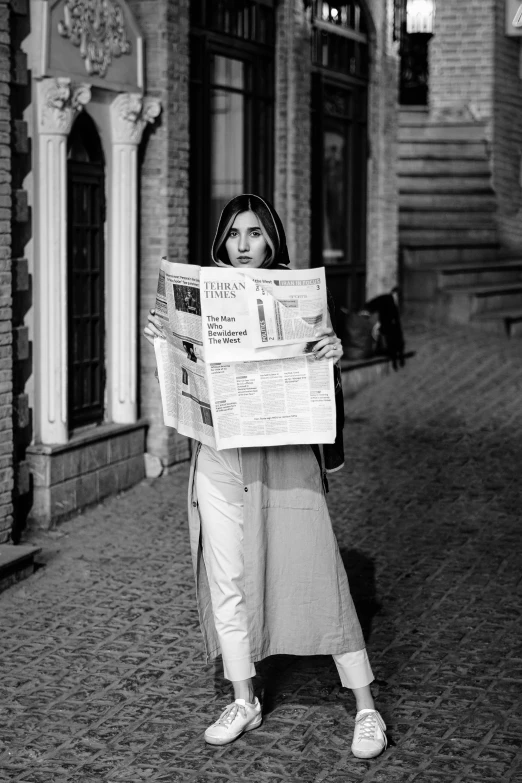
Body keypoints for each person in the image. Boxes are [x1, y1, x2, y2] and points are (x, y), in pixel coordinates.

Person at [144, 194, 387, 759]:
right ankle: (244, 697)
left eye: (254, 233)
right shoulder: (204, 294)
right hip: (216, 456)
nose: (244, 245)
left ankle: (367, 708)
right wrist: (164, 337)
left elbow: (318, 386)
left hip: (281, 456)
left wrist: (329, 354)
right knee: (226, 579)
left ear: (271, 238)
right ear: (222, 241)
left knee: (320, 572)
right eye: (234, 235)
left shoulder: (297, 296)